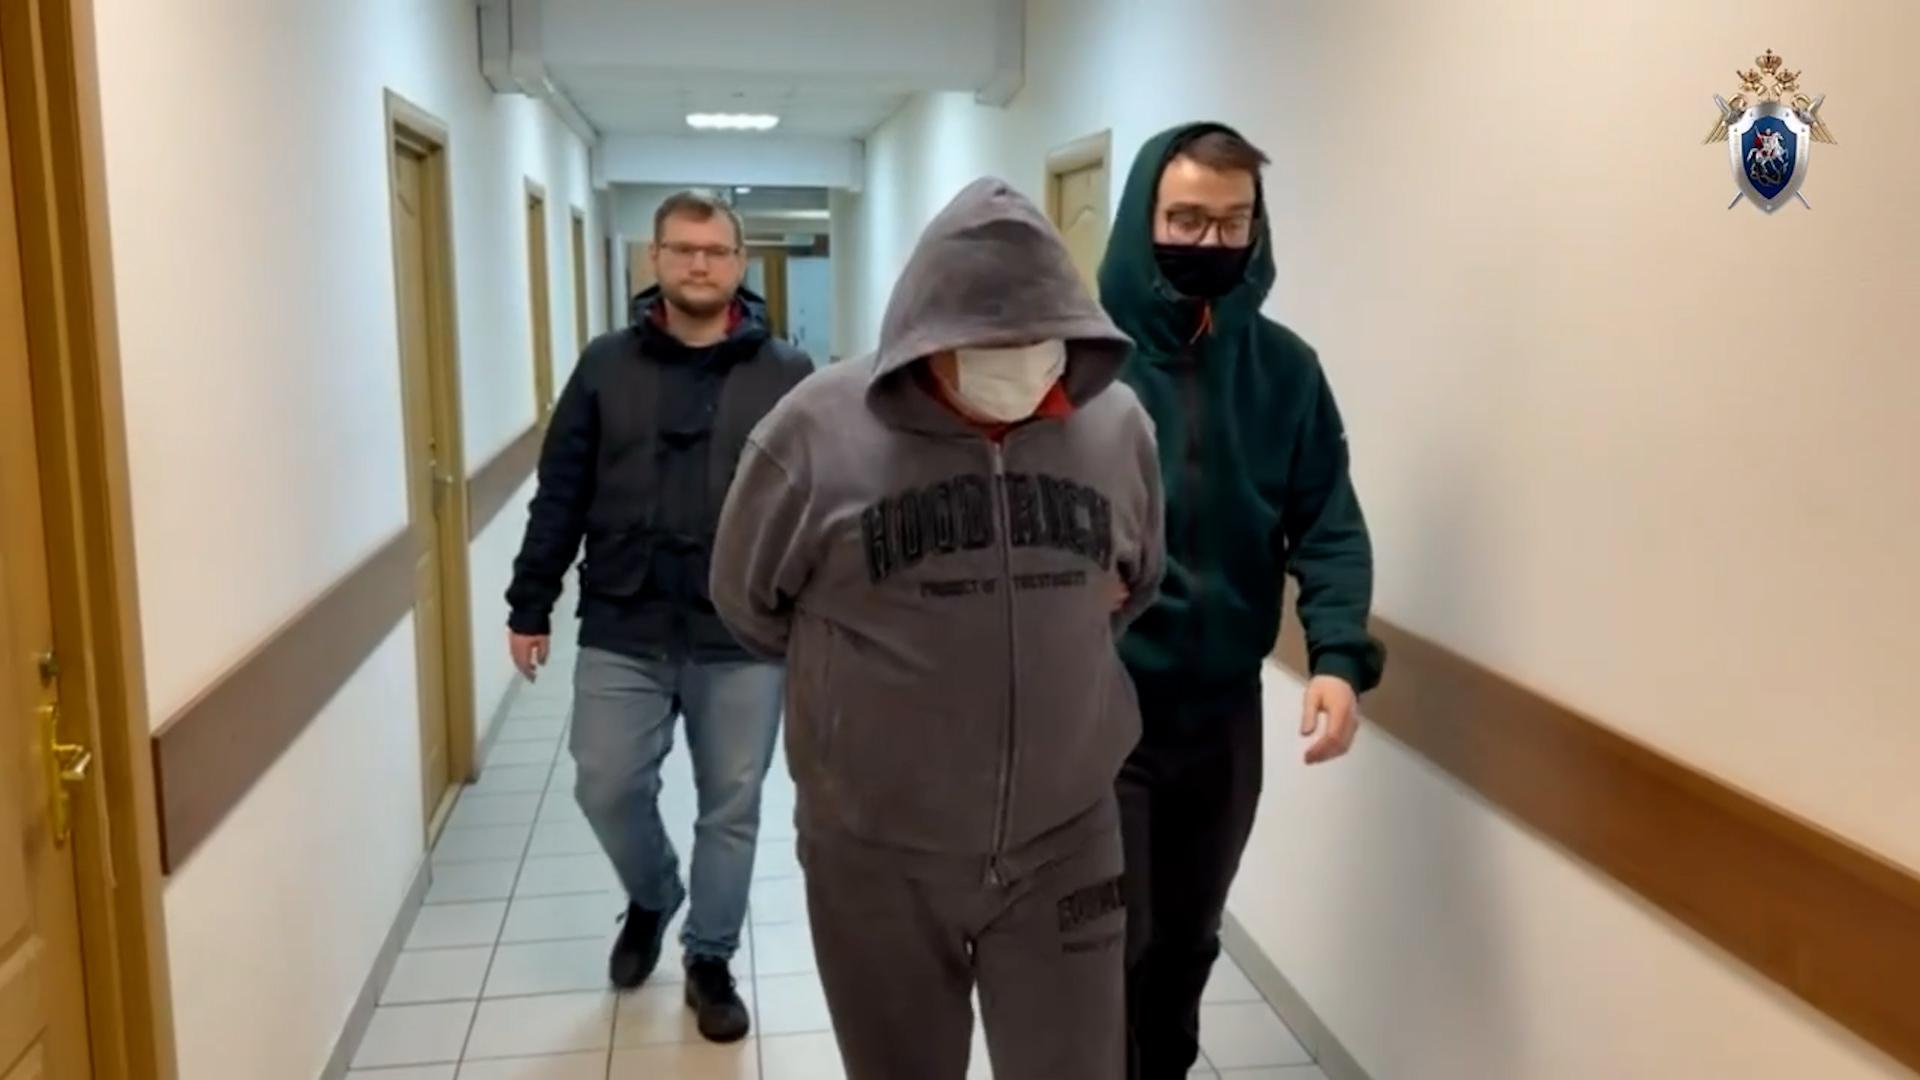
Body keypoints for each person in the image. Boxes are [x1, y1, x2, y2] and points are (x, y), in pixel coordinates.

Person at [709, 177, 1166, 1080]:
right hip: (874, 847)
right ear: (924, 336)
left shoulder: (1115, 426)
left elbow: (1136, 581)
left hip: (1066, 837)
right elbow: (747, 601)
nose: (1021, 365)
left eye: (1039, 342)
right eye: (986, 346)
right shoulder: (813, 431)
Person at [1098, 123, 1387, 1078]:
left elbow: (1327, 523)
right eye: (1186, 220)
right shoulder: (1078, 364)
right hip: (1102, 706)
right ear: (1142, 219)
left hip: (1221, 714)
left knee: (1187, 936)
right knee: (1113, 942)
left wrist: (1337, 658)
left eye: (1232, 223)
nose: (1210, 243)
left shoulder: (1285, 370)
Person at [504, 190, 813, 1042]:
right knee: (604, 781)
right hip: (625, 616)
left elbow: (819, 503)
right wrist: (531, 600)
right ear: (656, 259)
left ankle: (710, 958)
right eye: (682, 249)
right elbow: (562, 489)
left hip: (741, 630)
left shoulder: (787, 375)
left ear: (739, 262)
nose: (698, 263)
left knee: (732, 803)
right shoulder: (605, 366)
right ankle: (652, 893)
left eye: (714, 250)